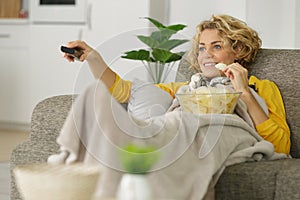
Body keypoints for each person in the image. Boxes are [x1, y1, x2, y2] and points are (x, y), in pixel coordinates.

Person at [51, 14, 290, 199]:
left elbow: (280, 145)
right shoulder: (187, 86)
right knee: (95, 97)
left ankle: (119, 157)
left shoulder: (260, 87)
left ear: (237, 50)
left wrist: (244, 93)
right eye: (201, 48)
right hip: (172, 128)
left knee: (182, 123)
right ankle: (89, 163)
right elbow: (123, 90)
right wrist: (94, 57)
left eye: (216, 46)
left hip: (218, 129)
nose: (206, 54)